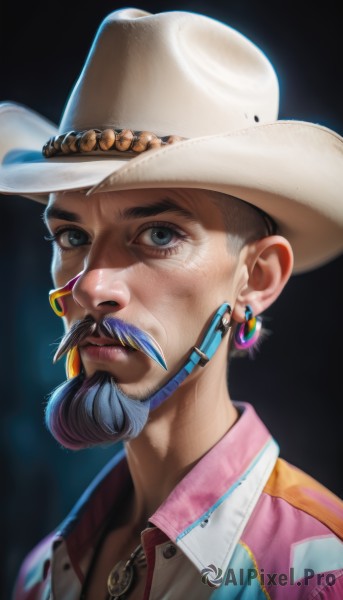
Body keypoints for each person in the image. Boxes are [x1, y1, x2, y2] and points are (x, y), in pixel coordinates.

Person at [1, 6, 342, 600]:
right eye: (72, 236)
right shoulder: (39, 577)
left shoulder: (322, 573)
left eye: (159, 233)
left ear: (257, 277)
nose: (89, 286)